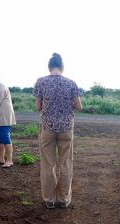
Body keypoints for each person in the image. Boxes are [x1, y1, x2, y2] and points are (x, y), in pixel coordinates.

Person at [33, 53, 82, 209]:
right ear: (62, 67)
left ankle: (49, 200)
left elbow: (38, 107)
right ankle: (63, 199)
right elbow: (79, 106)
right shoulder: (71, 83)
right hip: (66, 127)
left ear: (49, 67)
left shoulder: (41, 82)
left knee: (48, 164)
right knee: (66, 163)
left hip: (47, 126)